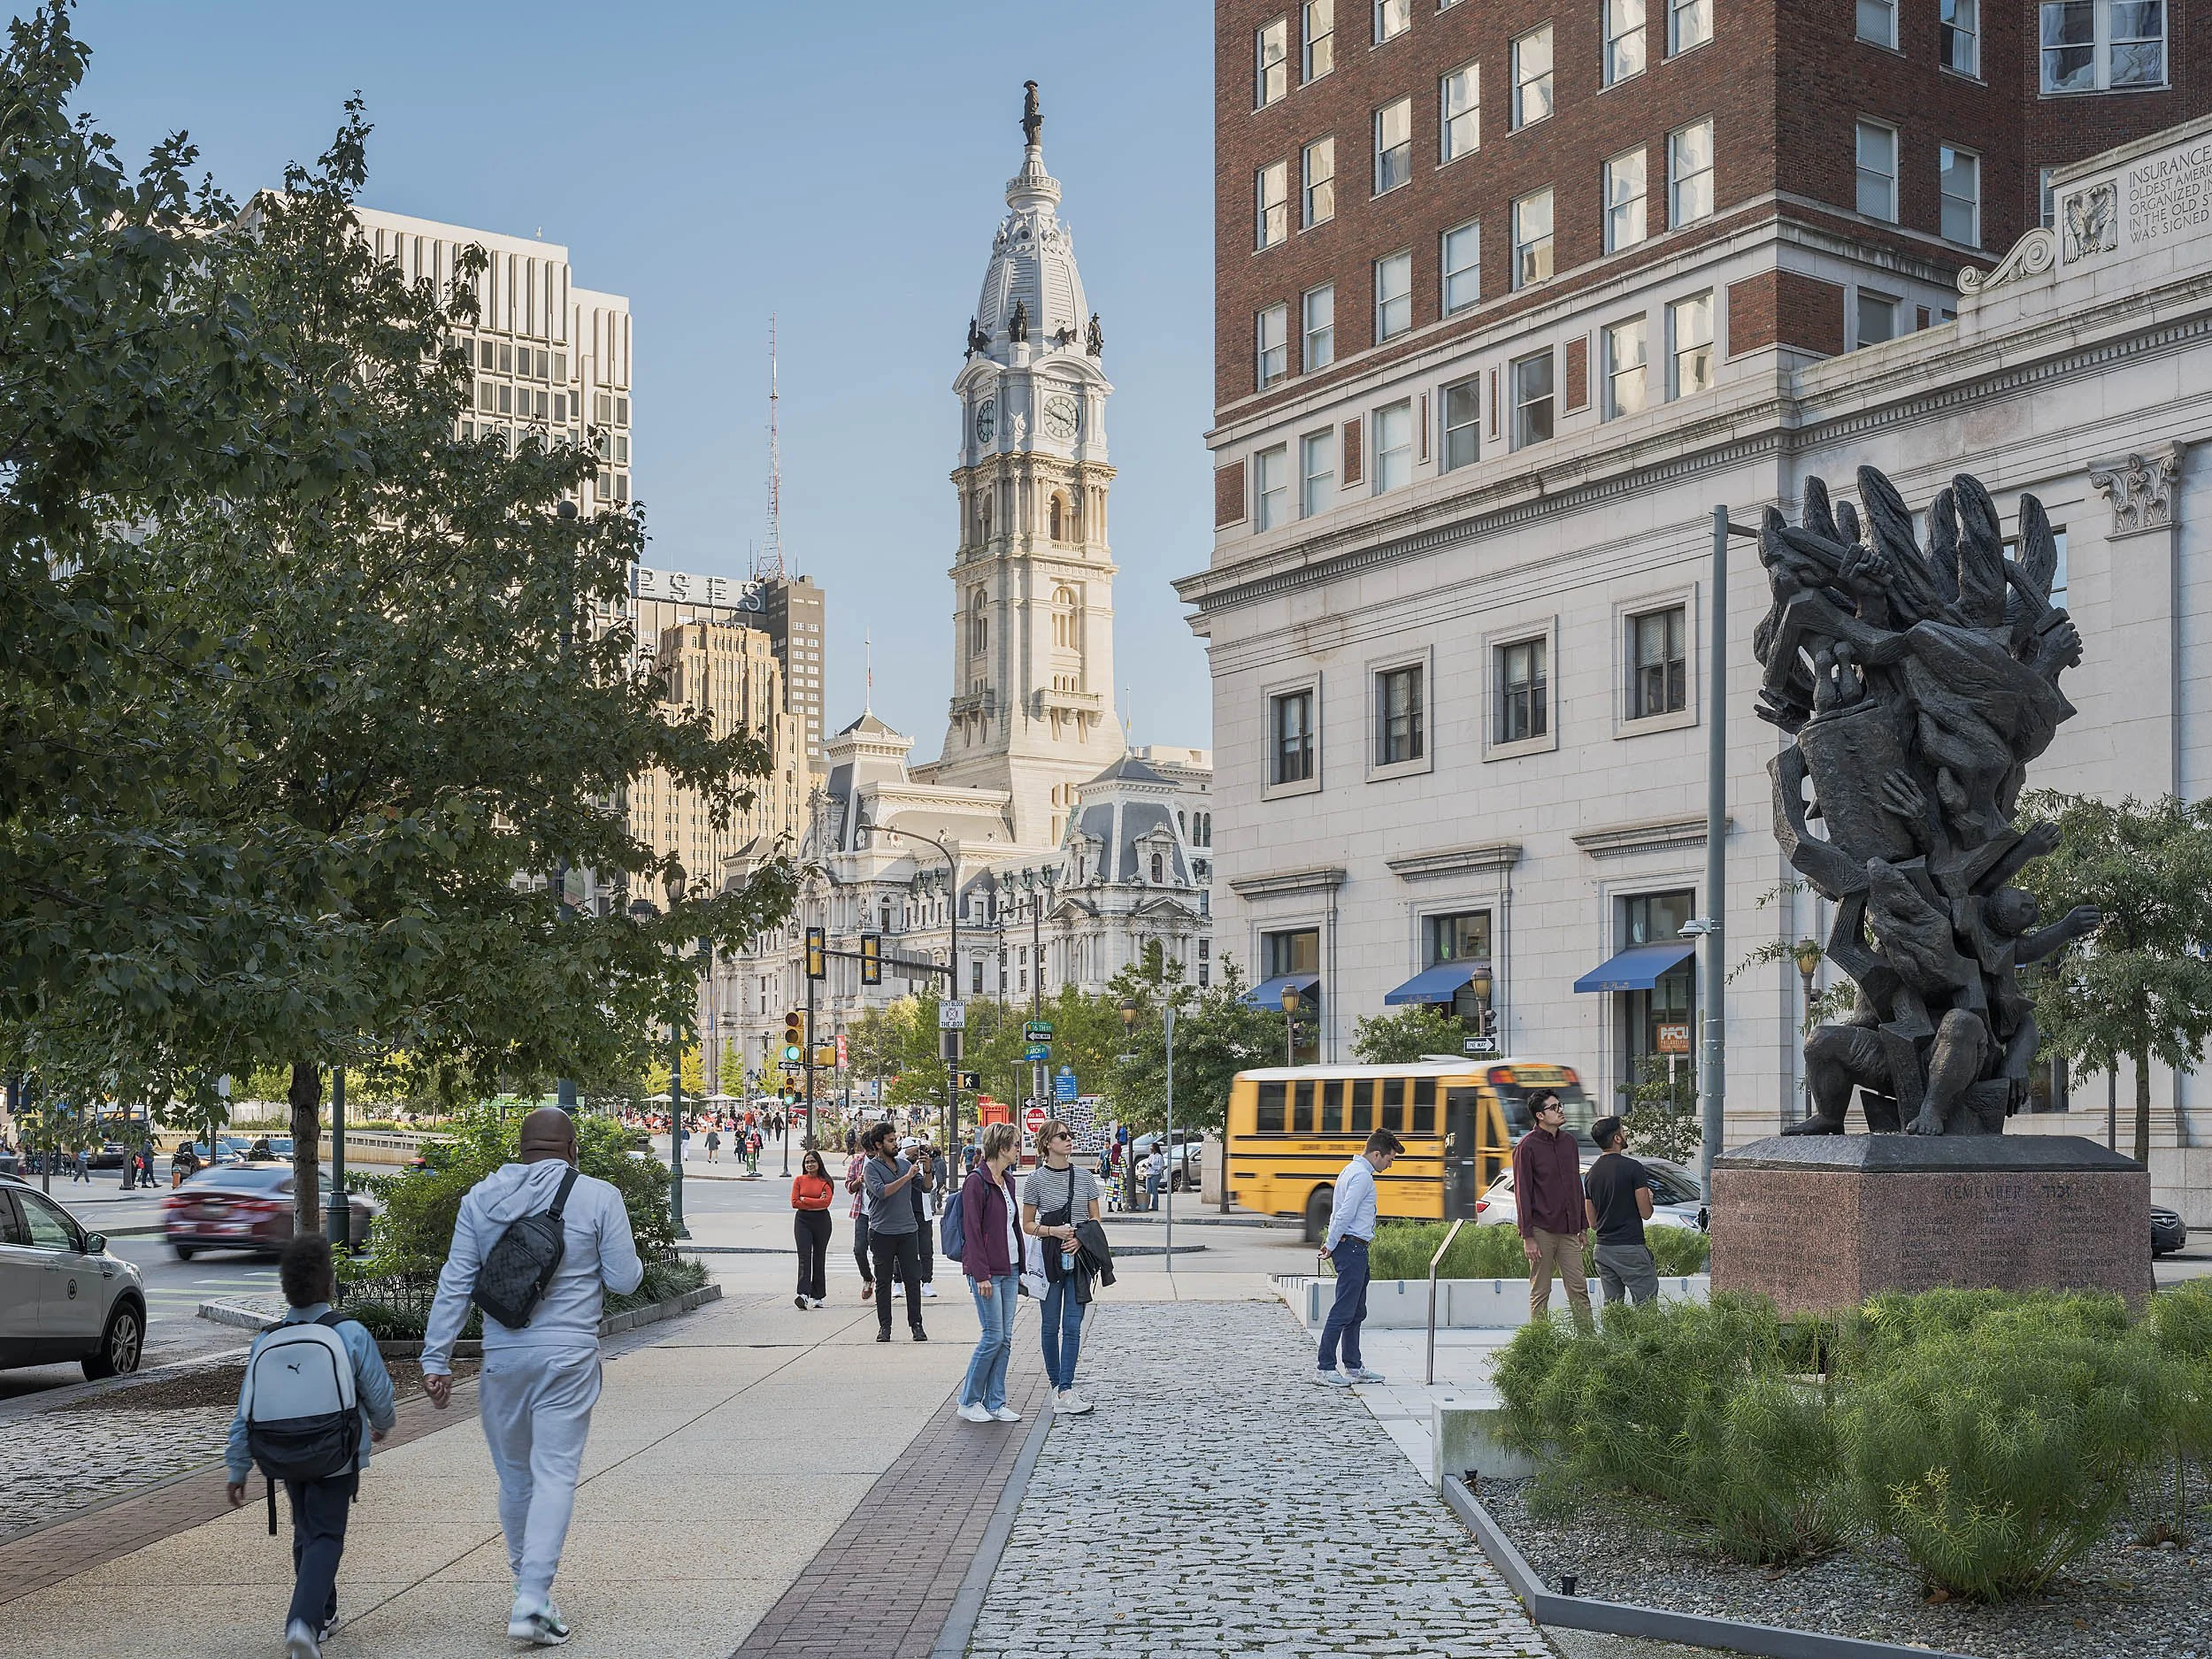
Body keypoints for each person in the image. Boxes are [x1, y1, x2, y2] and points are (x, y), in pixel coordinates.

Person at [421, 1107, 642, 1647]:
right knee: (555, 1475)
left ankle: (529, 1589)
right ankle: (532, 1598)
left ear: (522, 1148)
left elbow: (457, 1280)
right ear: (572, 1150)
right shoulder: (596, 1195)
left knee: (517, 1479)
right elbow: (626, 1280)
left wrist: (436, 1358)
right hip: (568, 1356)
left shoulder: (481, 1198)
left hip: (503, 1356)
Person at [225, 1234, 396, 1659]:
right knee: (324, 1535)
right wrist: (382, 1425)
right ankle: (303, 1622)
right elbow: (379, 1392)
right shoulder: (349, 1333)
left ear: (287, 1289)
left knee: (306, 1529)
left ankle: (324, 1614)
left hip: (282, 1454)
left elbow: (245, 1409)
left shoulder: (266, 1340)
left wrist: (237, 1466)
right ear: (328, 1286)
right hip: (335, 1453)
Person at [1021, 1119, 1103, 1415]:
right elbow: (1028, 1224)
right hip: (1050, 1257)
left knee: (1072, 1324)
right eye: (1062, 1137)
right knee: (1049, 1324)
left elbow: (1095, 1218)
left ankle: (1066, 1388)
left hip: (1079, 1257)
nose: (1069, 1140)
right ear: (1047, 1144)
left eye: (1070, 1136)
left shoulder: (1083, 1177)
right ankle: (1058, 1387)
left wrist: (1081, 1240)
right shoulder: (1035, 1181)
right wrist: (1053, 1232)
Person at [1315, 1128, 1403, 1386]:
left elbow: (1337, 1212)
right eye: (1389, 1160)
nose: (1389, 1165)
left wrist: (1331, 1242)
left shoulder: (1350, 1171)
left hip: (1354, 1248)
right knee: (1344, 1310)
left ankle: (1353, 1365)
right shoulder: (1362, 1177)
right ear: (1377, 1154)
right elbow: (1344, 1214)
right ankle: (1325, 1367)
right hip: (1352, 1248)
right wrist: (1330, 1244)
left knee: (1355, 1310)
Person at [956, 1123, 1025, 1424]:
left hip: (1009, 1268)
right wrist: (981, 1275)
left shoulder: (1007, 1181)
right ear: (1001, 1147)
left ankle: (995, 1401)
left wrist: (1020, 1266)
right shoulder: (976, 1181)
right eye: (1016, 1145)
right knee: (992, 1337)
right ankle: (968, 1400)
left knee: (1005, 1338)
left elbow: (1011, 1226)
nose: (1019, 1150)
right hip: (986, 1272)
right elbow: (972, 1230)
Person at [1512, 1090, 1594, 1332]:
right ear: (1540, 1115)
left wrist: (1582, 1226)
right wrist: (1528, 1236)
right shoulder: (1526, 1147)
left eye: (1561, 1105)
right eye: (1554, 1107)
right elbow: (1523, 1194)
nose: (1561, 1110)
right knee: (1541, 1291)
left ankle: (1588, 1343)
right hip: (1541, 1231)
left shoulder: (1569, 1143)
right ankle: (1540, 1343)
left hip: (1569, 1230)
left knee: (1579, 1288)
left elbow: (1575, 1187)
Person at [862, 1123, 929, 1341]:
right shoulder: (871, 1168)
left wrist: (927, 1170)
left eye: (896, 1139)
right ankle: (885, 1327)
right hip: (882, 1232)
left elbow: (926, 1187)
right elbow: (882, 1192)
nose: (895, 1144)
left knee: (912, 1279)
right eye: (890, 1141)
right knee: (883, 1281)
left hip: (908, 1230)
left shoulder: (903, 1164)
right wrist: (907, 1177)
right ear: (879, 1144)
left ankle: (916, 1324)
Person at [1584, 1115, 1660, 1307]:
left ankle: (1612, 1337)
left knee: (1613, 1307)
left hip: (1603, 1249)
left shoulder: (1591, 1174)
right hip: (1630, 1247)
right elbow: (1646, 1213)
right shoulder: (1633, 1168)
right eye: (1623, 1131)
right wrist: (1649, 1199)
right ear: (1617, 1138)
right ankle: (1646, 1338)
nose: (1625, 1134)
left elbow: (1592, 1222)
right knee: (1646, 1305)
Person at [791, 1147, 834, 1310]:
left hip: (822, 1221)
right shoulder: (799, 1180)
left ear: (819, 1163)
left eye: (813, 1161)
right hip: (802, 1220)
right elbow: (795, 1202)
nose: (810, 1164)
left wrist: (805, 1199)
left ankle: (818, 1295)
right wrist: (814, 1201)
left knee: (819, 1257)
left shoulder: (825, 1181)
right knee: (804, 1256)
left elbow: (826, 1203)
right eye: (807, 1162)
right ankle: (803, 1293)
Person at [903, 1137, 939, 1298]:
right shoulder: (899, 1164)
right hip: (903, 1213)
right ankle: (898, 1282)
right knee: (902, 1251)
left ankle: (927, 1282)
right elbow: (901, 1157)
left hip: (922, 1213)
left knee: (925, 1249)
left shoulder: (925, 1166)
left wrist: (927, 1168)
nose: (917, 1154)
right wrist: (912, 1153)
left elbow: (932, 1186)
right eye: (913, 1151)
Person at [844, 1131, 873, 1303]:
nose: (870, 1152)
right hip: (862, 1212)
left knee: (882, 1253)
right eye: (867, 1148)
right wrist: (858, 1181)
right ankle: (868, 1278)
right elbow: (849, 1186)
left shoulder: (885, 1162)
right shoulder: (858, 1162)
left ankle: (884, 1285)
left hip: (882, 1214)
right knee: (859, 1250)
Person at [1144, 1143, 1166, 1211]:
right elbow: (1148, 1165)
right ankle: (1146, 1205)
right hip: (1149, 1174)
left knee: (1154, 1190)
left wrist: (1152, 1166)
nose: (1151, 1148)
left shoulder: (1159, 1156)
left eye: (1152, 1147)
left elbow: (1160, 1167)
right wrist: (1146, 1167)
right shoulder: (1150, 1156)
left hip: (1155, 1175)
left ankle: (1155, 1206)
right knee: (1148, 1190)